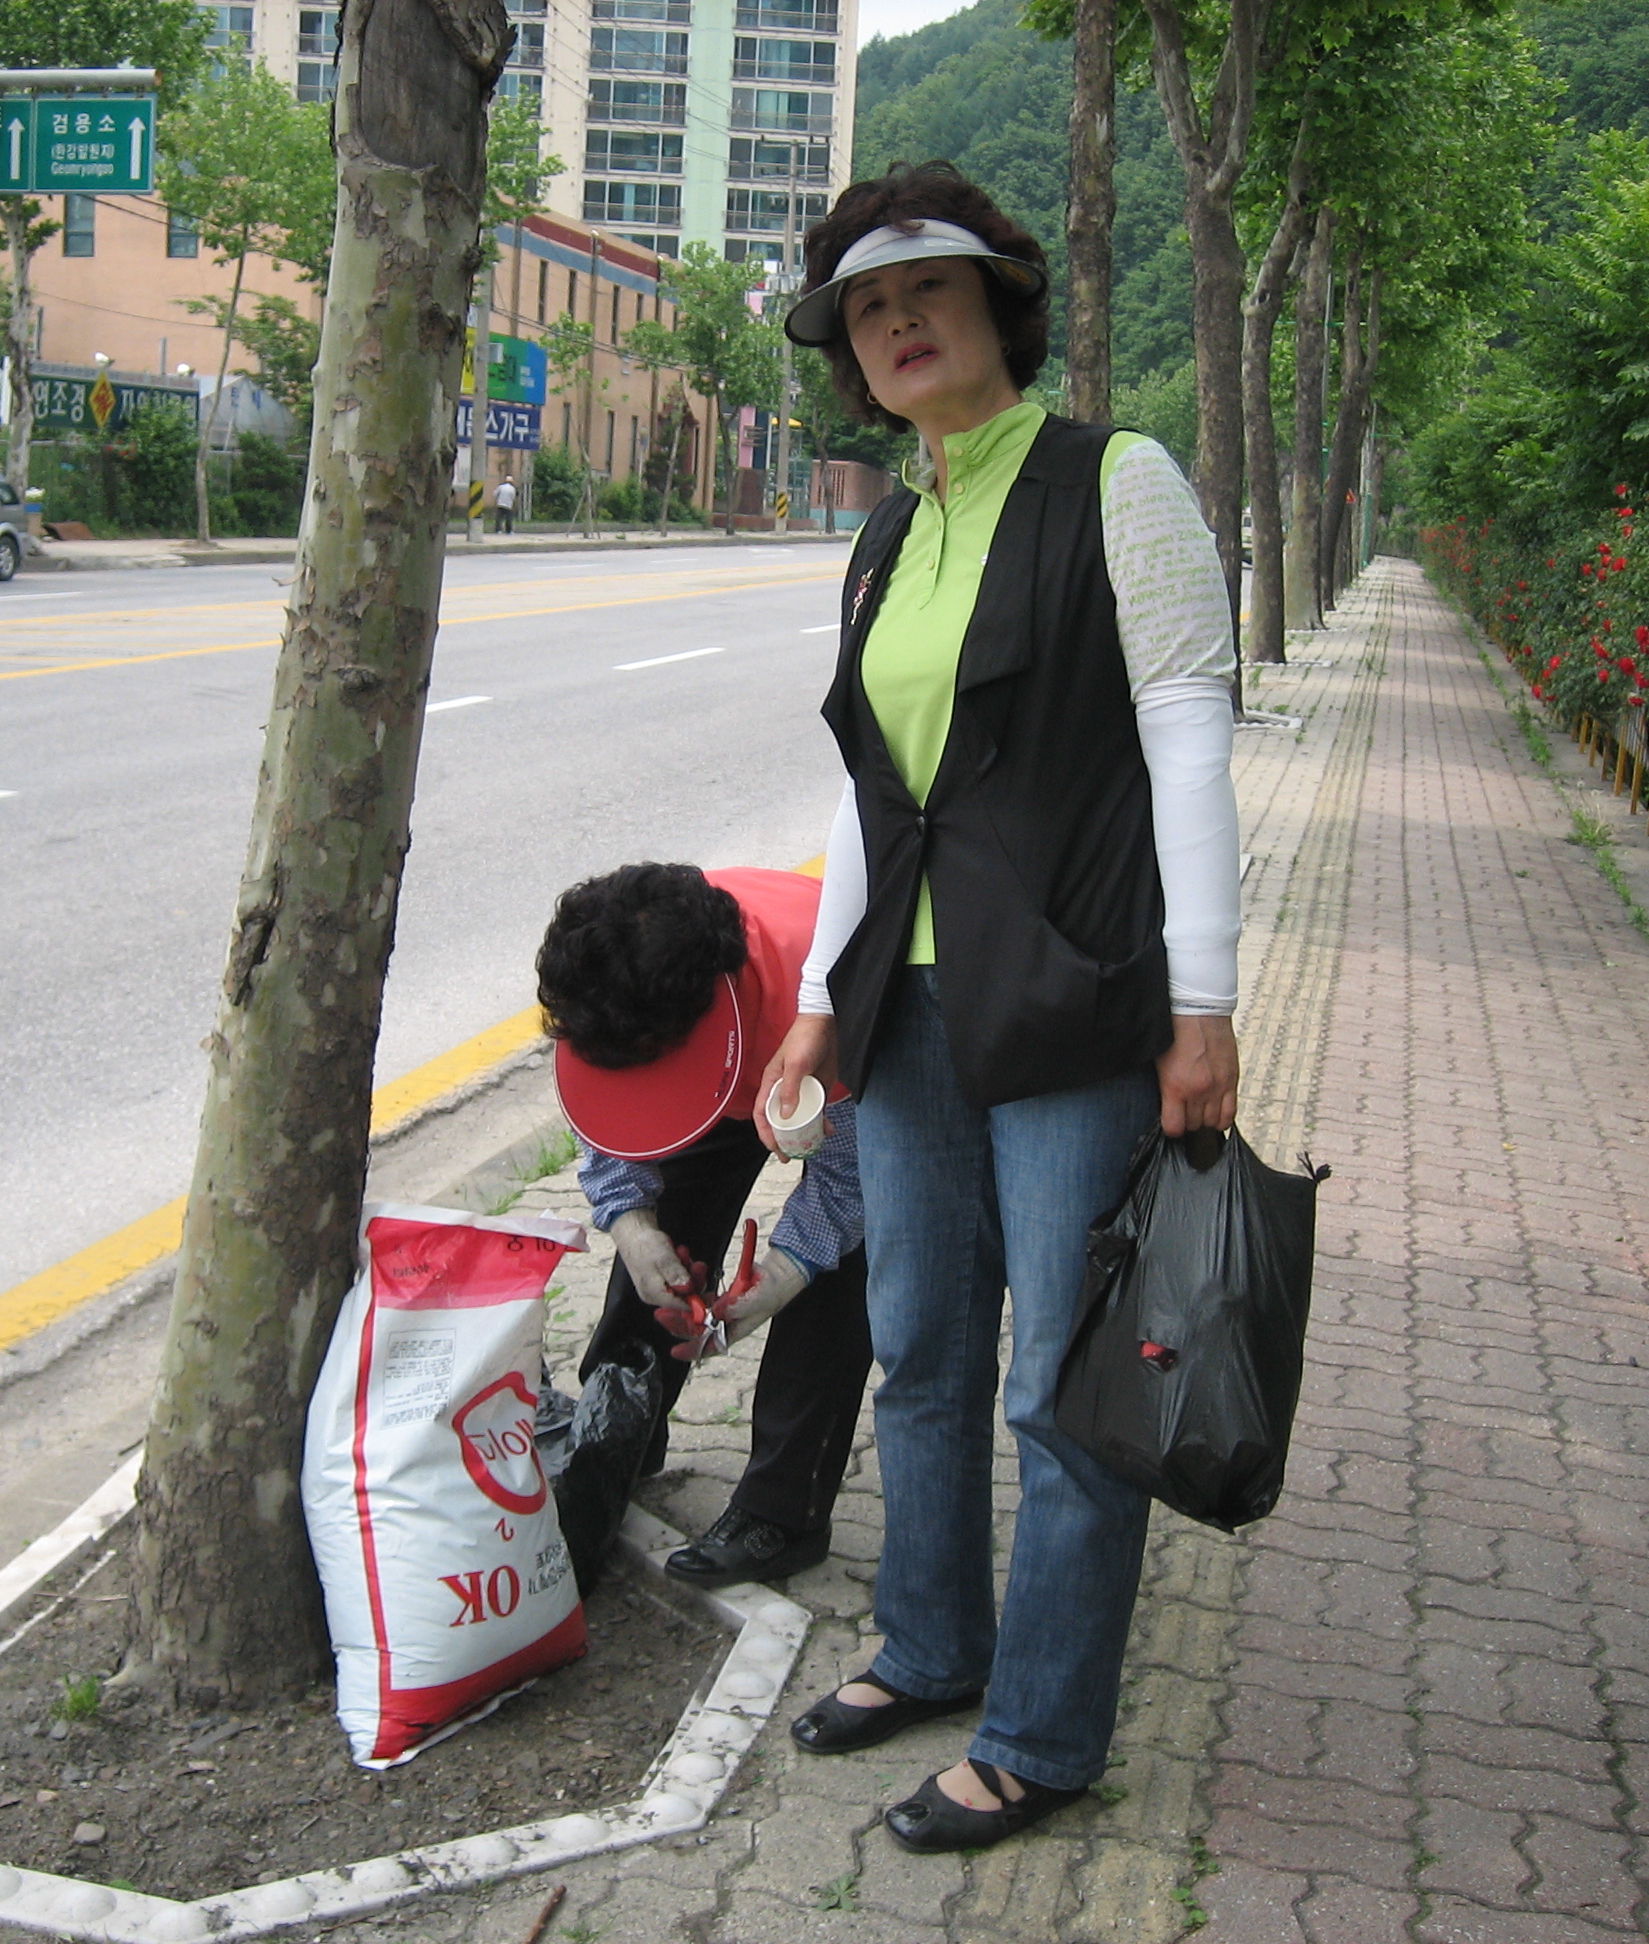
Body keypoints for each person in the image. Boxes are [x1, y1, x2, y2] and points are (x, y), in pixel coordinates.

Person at [754, 165, 1243, 1855]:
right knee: (920, 1344)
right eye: (867, 309)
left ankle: (1040, 1732)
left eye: (928, 290)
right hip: (907, 1006)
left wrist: (1202, 1003)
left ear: (998, 305)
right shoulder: (892, 528)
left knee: (1060, 1381)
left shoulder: (1116, 479)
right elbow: (870, 789)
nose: (898, 324)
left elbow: (1187, 732)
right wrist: (819, 995)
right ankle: (929, 1643)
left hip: (1072, 997)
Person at [536, 862, 871, 1591]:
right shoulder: (624, 965)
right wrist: (632, 1224)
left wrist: (782, 1275)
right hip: (719, 1058)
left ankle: (783, 1511)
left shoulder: (835, 988)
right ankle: (619, 1433)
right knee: (662, 1243)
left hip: (823, 1063)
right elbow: (610, 1107)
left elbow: (854, 1182)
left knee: (844, 1271)